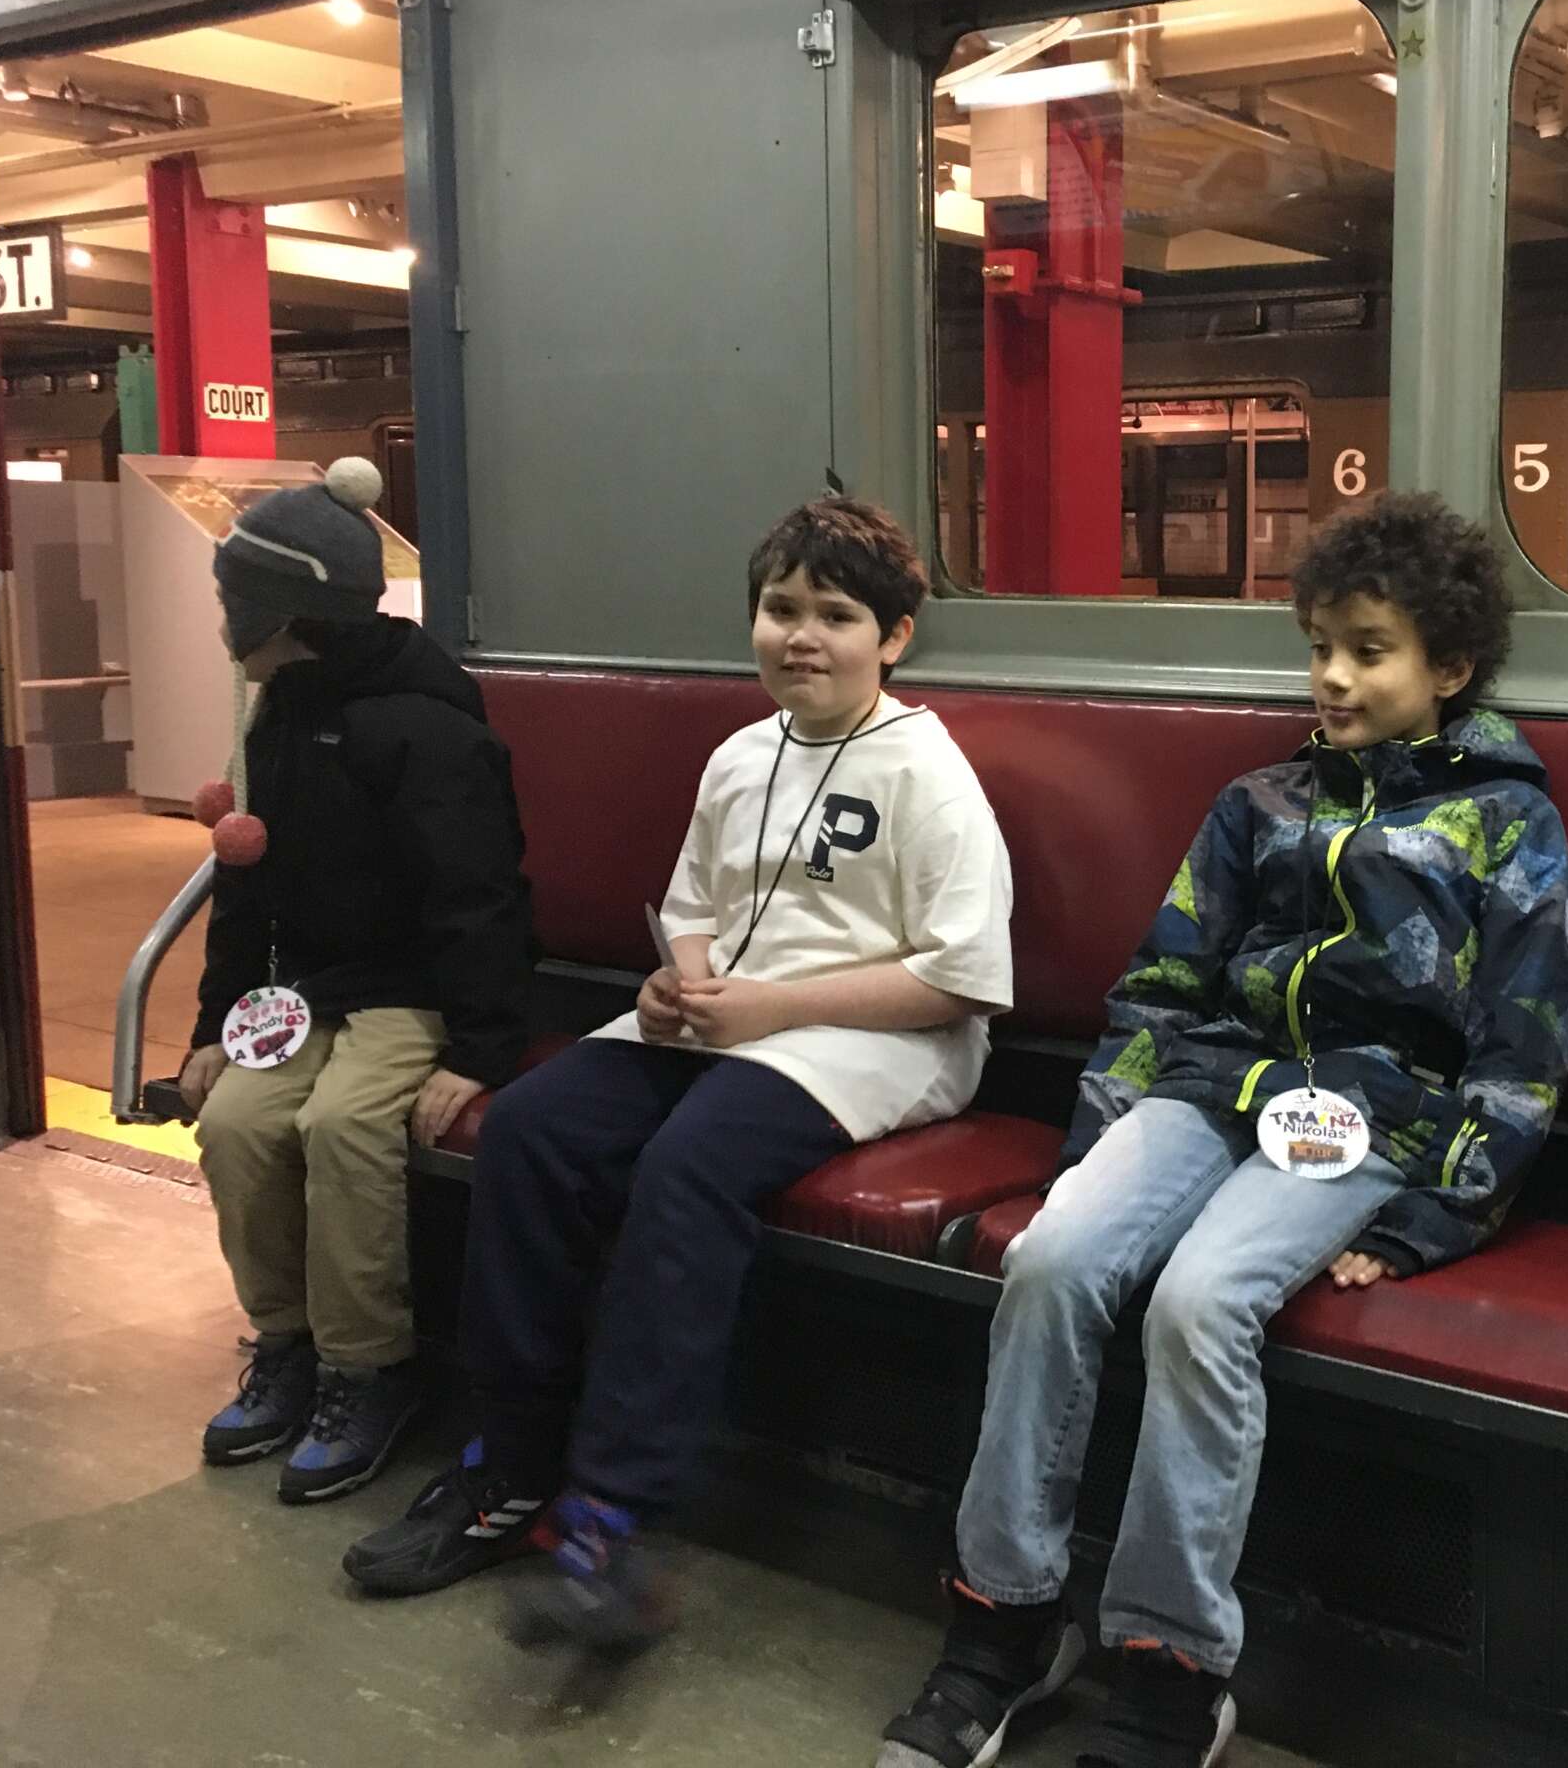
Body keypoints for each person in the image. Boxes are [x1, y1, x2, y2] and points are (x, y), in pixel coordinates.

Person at [875, 494, 1568, 1768]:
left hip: (1370, 1120)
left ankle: (1170, 1665)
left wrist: (1437, 1218)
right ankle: (1006, 1617)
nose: (1331, 674)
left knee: (1199, 1303)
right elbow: (1161, 986)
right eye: (1319, 644)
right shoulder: (1258, 803)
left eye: (1368, 649)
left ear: (1449, 669)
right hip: (1210, 1087)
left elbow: (1524, 1043)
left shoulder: (1507, 822)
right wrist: (1095, 1152)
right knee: (1048, 1259)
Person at [342, 496, 1012, 1661]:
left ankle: (611, 1516)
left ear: (893, 638)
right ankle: (510, 1466)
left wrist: (768, 1007)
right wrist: (676, 984)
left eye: (836, 616)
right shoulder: (741, 755)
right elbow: (695, 911)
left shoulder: (928, 772)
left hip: (878, 1044)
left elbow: (960, 978)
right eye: (780, 609)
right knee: (533, 1130)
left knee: (689, 1162)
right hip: (726, 1023)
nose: (801, 636)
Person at [185, 458, 534, 1505]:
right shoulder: (279, 716)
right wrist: (214, 1026)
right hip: (316, 986)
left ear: (286, 612)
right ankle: (285, 1342)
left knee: (343, 1125)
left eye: (232, 604)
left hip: (415, 991)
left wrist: (479, 1052)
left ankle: (366, 1368)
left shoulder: (424, 727)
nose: (221, 625)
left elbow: (479, 898)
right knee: (239, 1120)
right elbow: (246, 889)